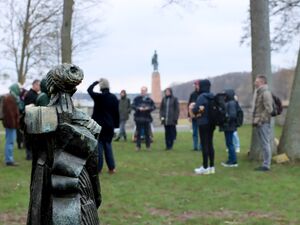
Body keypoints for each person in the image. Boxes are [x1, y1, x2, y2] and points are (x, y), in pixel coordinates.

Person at [88, 78, 119, 174]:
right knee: (108, 146)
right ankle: (112, 168)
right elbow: (116, 113)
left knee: (99, 147)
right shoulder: (114, 98)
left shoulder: (98, 97)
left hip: (98, 125)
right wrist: (117, 127)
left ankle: (99, 169)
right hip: (110, 125)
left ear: (101, 87)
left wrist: (96, 82)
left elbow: (89, 90)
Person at [192, 79, 216, 175]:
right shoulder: (212, 96)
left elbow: (199, 110)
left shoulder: (202, 97)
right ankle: (212, 166)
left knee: (204, 144)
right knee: (210, 144)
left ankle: (205, 167)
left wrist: (194, 108)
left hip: (203, 122)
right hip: (212, 122)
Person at [253, 75, 273, 171]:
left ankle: (266, 165)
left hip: (263, 123)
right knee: (264, 144)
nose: (255, 83)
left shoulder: (265, 93)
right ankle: (265, 164)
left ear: (262, 82)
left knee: (265, 143)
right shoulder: (259, 92)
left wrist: (260, 120)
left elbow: (269, 109)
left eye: (256, 81)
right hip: (260, 122)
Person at [2, 83, 23, 166]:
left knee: (10, 141)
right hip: (11, 124)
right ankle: (9, 160)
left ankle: (9, 159)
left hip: (10, 124)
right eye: (18, 88)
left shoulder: (12, 97)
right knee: (10, 142)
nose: (20, 90)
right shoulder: (10, 98)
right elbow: (10, 114)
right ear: (15, 89)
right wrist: (14, 124)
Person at [132, 86, 156, 151]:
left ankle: (148, 146)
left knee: (147, 133)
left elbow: (153, 107)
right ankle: (138, 146)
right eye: (142, 91)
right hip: (138, 118)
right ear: (141, 92)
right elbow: (133, 106)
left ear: (146, 92)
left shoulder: (149, 99)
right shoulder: (137, 99)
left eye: (144, 91)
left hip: (146, 118)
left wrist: (148, 108)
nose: (143, 92)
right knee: (138, 133)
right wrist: (138, 108)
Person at [220, 89, 239, 167]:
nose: (224, 96)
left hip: (229, 126)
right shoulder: (230, 103)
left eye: (225, 95)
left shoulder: (231, 103)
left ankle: (233, 161)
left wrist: (225, 119)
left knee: (230, 143)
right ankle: (231, 159)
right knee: (229, 143)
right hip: (229, 126)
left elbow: (232, 115)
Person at [24, 79, 40, 160]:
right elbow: (28, 107)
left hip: (31, 118)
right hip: (30, 118)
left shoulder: (34, 94)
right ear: (34, 85)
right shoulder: (30, 94)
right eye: (38, 85)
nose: (39, 87)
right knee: (29, 138)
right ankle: (29, 155)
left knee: (31, 138)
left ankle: (30, 154)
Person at [188, 80, 201, 151]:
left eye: (197, 85)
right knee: (195, 132)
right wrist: (189, 116)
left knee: (201, 132)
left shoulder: (203, 94)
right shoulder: (192, 94)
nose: (196, 86)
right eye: (195, 85)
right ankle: (195, 146)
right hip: (193, 116)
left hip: (201, 116)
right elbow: (189, 105)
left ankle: (201, 146)